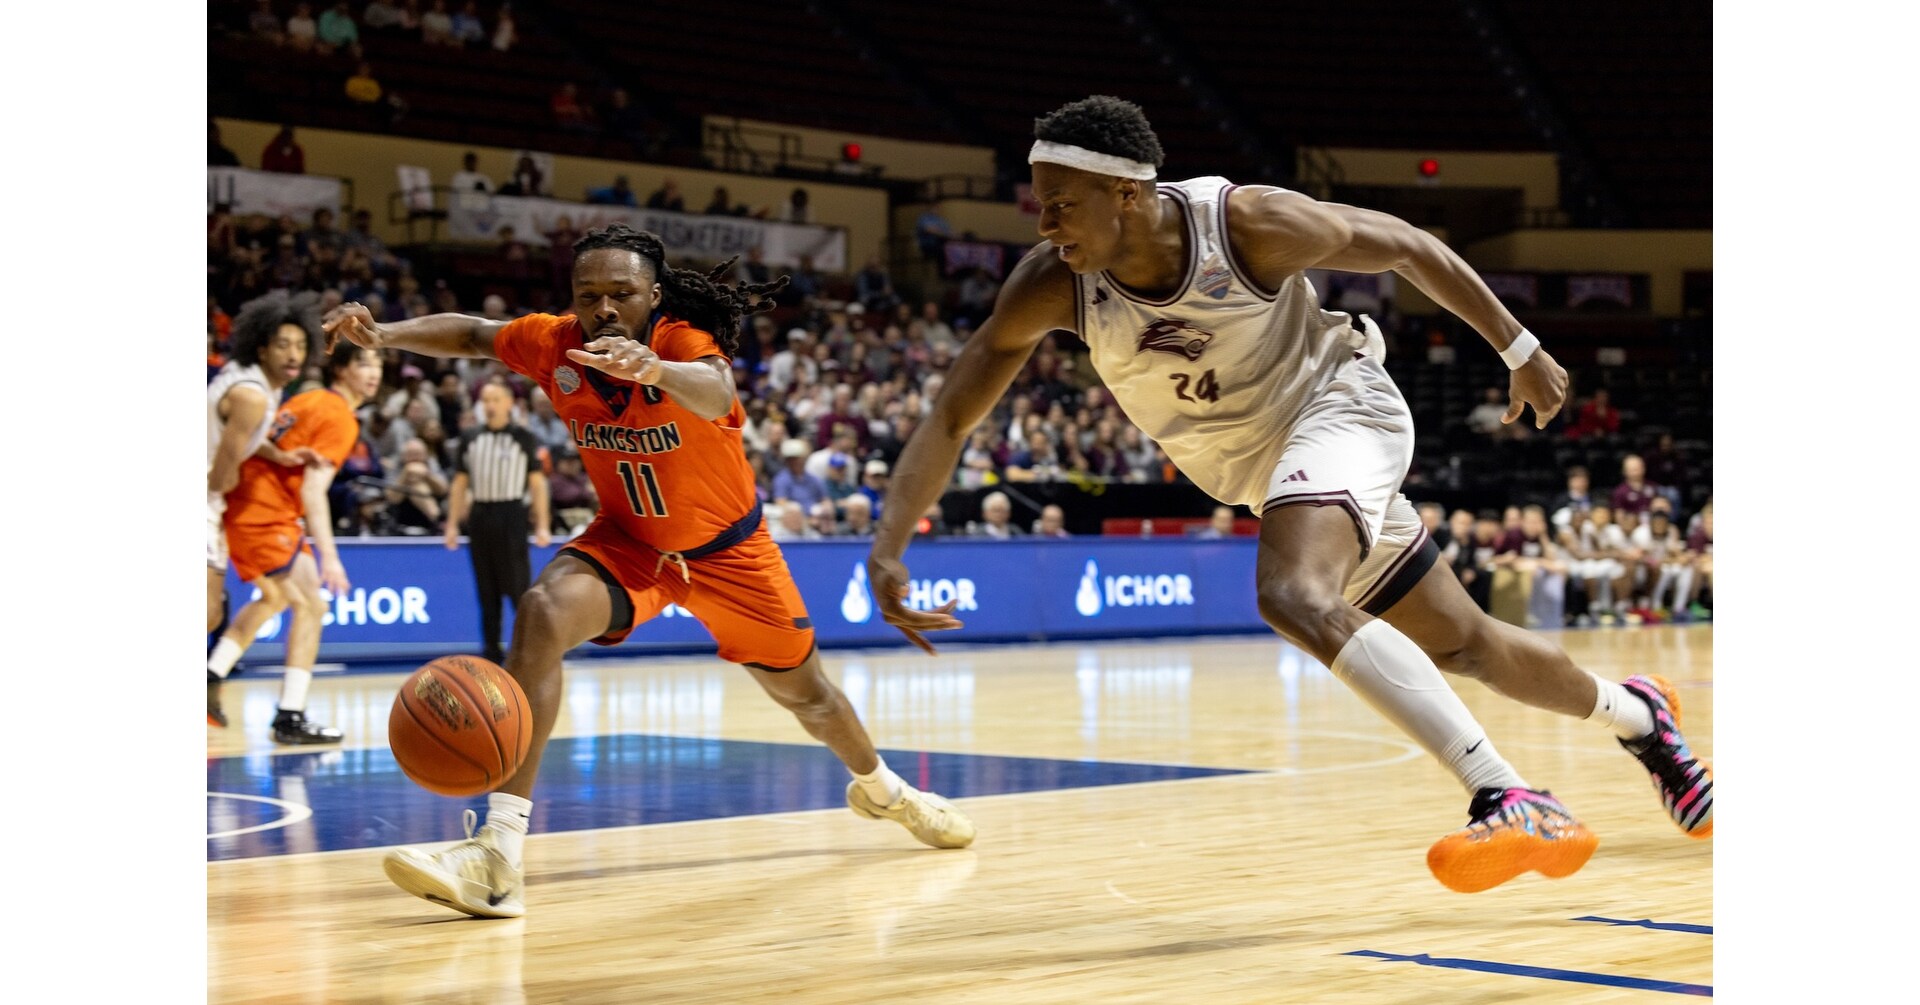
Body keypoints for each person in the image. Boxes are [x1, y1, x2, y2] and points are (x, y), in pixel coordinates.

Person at [865, 96, 1709, 894]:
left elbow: (1408, 243)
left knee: (1291, 593)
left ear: (1126, 194)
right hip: (1271, 472)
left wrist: (1518, 345)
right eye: (1040, 205)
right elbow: (949, 416)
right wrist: (891, 544)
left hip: (1341, 410)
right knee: (1467, 643)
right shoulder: (1051, 283)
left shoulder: (1244, 225)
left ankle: (1509, 797)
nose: (1043, 225)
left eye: (1059, 204)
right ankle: (1638, 714)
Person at [326, 223, 974, 918]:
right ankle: (498, 853)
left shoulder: (681, 343)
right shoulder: (554, 343)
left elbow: (717, 387)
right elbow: (475, 334)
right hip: (629, 543)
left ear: (655, 295)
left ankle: (885, 791)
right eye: (589, 294)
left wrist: (653, 369)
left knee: (811, 697)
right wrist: (385, 335)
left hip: (729, 553)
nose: (604, 307)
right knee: (542, 609)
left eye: (622, 294)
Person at [210, 341, 383, 742]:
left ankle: (212, 674)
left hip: (249, 503)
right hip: (263, 509)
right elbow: (312, 490)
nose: (373, 373)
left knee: (277, 599)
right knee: (311, 604)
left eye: (377, 365)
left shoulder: (308, 399)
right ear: (341, 370)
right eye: (363, 363)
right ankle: (289, 715)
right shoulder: (340, 416)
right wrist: (331, 557)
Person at [207, 292, 326, 728]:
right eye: (283, 345)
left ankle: (210, 676)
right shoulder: (253, 396)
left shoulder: (254, 380)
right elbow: (221, 476)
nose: (294, 354)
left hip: (210, 502)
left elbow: (249, 440)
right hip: (205, 501)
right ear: (262, 347)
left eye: (300, 345)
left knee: (218, 611)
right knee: (209, 612)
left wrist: (282, 457)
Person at [445, 381, 551, 664]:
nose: (489, 405)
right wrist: (452, 524)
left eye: (495, 399)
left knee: (518, 588)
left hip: (512, 515)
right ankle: (491, 653)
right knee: (486, 590)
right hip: (480, 516)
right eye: (485, 400)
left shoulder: (524, 438)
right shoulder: (469, 438)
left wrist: (542, 524)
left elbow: (538, 485)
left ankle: (528, 652)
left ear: (508, 404)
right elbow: (459, 484)